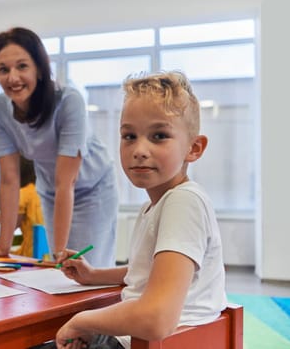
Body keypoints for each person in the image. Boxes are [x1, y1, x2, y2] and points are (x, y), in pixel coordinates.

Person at [49, 71, 226, 349]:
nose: (139, 149)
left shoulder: (183, 202)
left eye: (159, 135)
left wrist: (82, 321)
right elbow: (151, 271)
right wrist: (93, 275)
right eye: (129, 136)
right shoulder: (156, 205)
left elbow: (157, 319)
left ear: (194, 148)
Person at [0, 27, 118, 267]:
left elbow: (67, 181)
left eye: (22, 66)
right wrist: (4, 246)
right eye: (3, 70)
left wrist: (60, 252)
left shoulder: (68, 100)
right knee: (62, 269)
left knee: (86, 266)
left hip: (93, 186)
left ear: (40, 69)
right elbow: (9, 180)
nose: (13, 78)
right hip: (51, 189)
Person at [0, 156, 44, 257]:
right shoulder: (43, 193)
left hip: (32, 253)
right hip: (48, 251)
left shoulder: (23, 194)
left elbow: (10, 224)